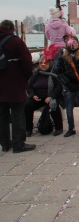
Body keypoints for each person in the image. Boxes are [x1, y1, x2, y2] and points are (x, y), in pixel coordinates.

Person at [0, 20, 35, 153]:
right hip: (15, 84)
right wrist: (26, 78)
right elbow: (27, 62)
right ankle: (18, 144)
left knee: (2, 116)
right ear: (12, 29)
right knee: (17, 114)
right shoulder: (16, 41)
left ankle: (4, 144)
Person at [54, 35, 79, 137]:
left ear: (78, 44)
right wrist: (68, 84)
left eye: (75, 43)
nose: (73, 45)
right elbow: (59, 72)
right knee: (69, 108)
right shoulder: (63, 58)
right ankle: (71, 128)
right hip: (69, 86)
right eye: (71, 43)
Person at [25, 55, 64, 137]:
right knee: (27, 106)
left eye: (45, 63)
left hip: (51, 96)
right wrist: (33, 95)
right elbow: (29, 87)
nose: (43, 65)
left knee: (53, 105)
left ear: (49, 63)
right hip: (38, 97)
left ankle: (58, 128)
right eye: (41, 63)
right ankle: (28, 129)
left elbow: (59, 87)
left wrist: (51, 96)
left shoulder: (54, 74)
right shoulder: (36, 74)